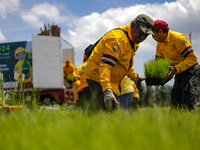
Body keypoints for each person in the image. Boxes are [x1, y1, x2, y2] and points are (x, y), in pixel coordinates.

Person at [83, 14, 155, 111]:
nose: (142, 38)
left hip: (110, 79)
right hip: (98, 76)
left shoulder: (133, 42)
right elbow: (105, 66)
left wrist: (135, 77)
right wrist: (107, 90)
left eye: (146, 36)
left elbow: (124, 63)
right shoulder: (118, 39)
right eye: (141, 33)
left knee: (107, 111)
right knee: (108, 110)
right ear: (133, 25)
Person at [152, 19, 200, 111]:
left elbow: (192, 59)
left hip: (190, 70)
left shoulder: (178, 38)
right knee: (175, 102)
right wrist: (155, 74)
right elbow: (159, 63)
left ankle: (189, 120)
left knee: (187, 100)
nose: (152, 37)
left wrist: (176, 68)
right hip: (177, 72)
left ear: (160, 31)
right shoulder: (159, 44)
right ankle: (175, 123)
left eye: (153, 34)